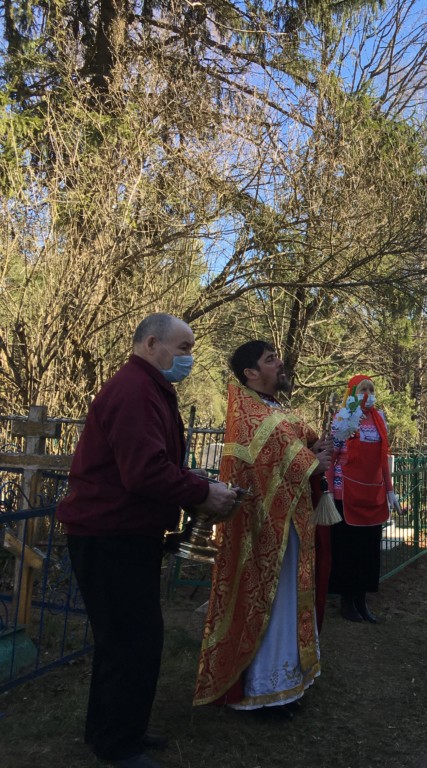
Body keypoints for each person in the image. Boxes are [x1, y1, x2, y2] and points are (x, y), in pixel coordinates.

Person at [57, 313, 238, 768]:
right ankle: (118, 745)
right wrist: (202, 492)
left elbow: (156, 463)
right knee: (131, 641)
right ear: (151, 343)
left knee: (125, 639)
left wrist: (194, 485)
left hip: (121, 532)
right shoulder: (135, 391)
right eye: (184, 348)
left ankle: (115, 730)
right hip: (110, 534)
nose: (189, 358)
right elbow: (144, 471)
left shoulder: (149, 389)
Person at [194, 341, 329, 712]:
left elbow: (298, 450)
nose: (280, 363)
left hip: (292, 523)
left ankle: (290, 680)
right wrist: (311, 461)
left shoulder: (276, 410)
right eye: (270, 360)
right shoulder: (249, 414)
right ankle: (264, 690)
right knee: (270, 603)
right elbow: (268, 464)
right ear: (251, 373)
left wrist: (319, 449)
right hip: (261, 529)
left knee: (289, 600)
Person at [326, 374, 399, 623]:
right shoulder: (343, 419)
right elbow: (332, 456)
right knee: (348, 549)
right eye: (362, 389)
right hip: (346, 493)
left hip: (372, 494)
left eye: (371, 389)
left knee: (368, 550)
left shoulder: (379, 420)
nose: (367, 394)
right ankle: (347, 601)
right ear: (352, 393)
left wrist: (390, 491)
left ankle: (361, 600)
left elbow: (383, 459)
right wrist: (328, 491)